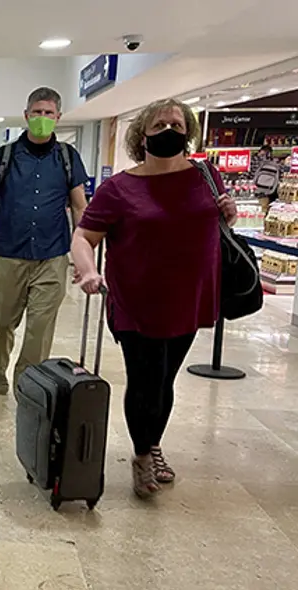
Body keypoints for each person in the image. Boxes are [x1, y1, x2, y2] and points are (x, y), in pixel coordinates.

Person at [71, 97, 237, 499]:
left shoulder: (205, 176)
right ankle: (143, 453)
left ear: (189, 134)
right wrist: (89, 270)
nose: (169, 131)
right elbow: (83, 236)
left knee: (165, 379)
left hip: (190, 298)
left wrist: (227, 213)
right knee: (145, 379)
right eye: (160, 124)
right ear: (141, 134)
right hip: (137, 300)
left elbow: (211, 222)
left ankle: (154, 441)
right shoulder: (120, 188)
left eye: (177, 126)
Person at [0, 87, 89, 396]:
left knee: (40, 330)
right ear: (26, 116)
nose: (43, 118)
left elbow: (79, 206)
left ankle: (27, 382)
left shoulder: (68, 157)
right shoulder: (6, 156)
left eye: (49, 114)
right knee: (2, 323)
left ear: (58, 117)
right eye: (37, 113)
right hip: (9, 255)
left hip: (51, 256)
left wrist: (84, 254)